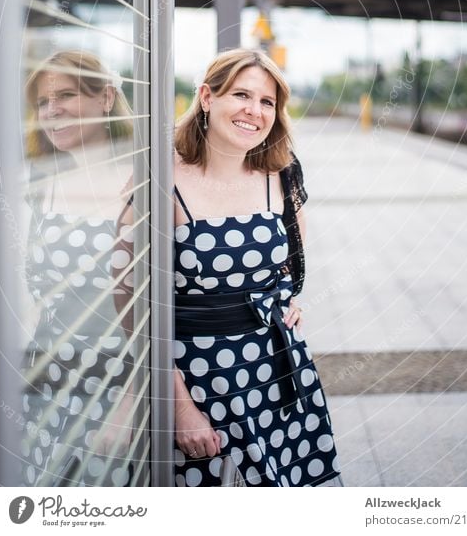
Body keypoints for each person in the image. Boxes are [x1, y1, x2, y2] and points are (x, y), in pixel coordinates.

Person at [171, 48, 343, 487]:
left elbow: (291, 259)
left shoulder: (282, 173)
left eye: (267, 102)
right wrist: (178, 406)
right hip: (197, 378)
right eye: (241, 95)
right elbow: (130, 302)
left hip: (277, 370)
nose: (255, 110)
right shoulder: (159, 178)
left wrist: (286, 300)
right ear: (207, 97)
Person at [22, 50, 135, 487]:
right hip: (45, 388)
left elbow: (167, 307)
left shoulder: (141, 184)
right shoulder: (41, 186)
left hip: (119, 388)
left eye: (66, 95)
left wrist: (132, 404)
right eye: (42, 102)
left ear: (106, 97)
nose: (52, 110)